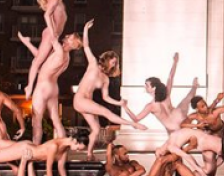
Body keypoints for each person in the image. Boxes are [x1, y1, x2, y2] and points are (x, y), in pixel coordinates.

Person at [72, 19, 146, 160]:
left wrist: (120, 103)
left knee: (96, 129)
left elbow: (106, 98)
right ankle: (133, 124)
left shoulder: (105, 79)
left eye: (115, 64)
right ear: (106, 59)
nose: (113, 66)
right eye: (112, 62)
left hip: (87, 103)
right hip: (80, 99)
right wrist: (86, 29)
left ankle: (89, 154)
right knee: (104, 112)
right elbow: (86, 46)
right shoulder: (93, 64)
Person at [19, 21, 81, 144]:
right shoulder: (67, 58)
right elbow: (39, 57)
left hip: (43, 86)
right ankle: (63, 146)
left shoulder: (59, 50)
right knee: (55, 120)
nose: (67, 35)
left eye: (69, 36)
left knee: (36, 121)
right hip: (53, 87)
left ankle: (36, 149)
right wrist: (27, 43)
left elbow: (52, 34)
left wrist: (50, 15)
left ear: (71, 42)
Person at [22, 0, 67, 101]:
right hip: (51, 34)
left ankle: (27, 43)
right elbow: (47, 16)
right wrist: (53, 33)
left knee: (44, 61)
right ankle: (29, 86)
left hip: (53, 34)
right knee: (38, 62)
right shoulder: (53, 0)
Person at [126, 53, 200, 133]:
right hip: (182, 120)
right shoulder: (166, 94)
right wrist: (175, 62)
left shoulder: (151, 106)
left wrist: (124, 106)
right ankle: (194, 87)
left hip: (174, 128)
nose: (145, 87)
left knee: (186, 101)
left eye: (147, 85)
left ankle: (194, 87)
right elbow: (170, 77)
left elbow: (136, 119)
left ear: (154, 88)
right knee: (187, 99)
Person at [104, 142, 206, 176]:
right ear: (117, 156)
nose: (128, 156)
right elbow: (108, 157)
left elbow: (142, 170)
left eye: (128, 153)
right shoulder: (113, 169)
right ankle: (186, 149)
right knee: (161, 160)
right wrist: (109, 144)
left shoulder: (132, 163)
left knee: (176, 164)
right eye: (125, 154)